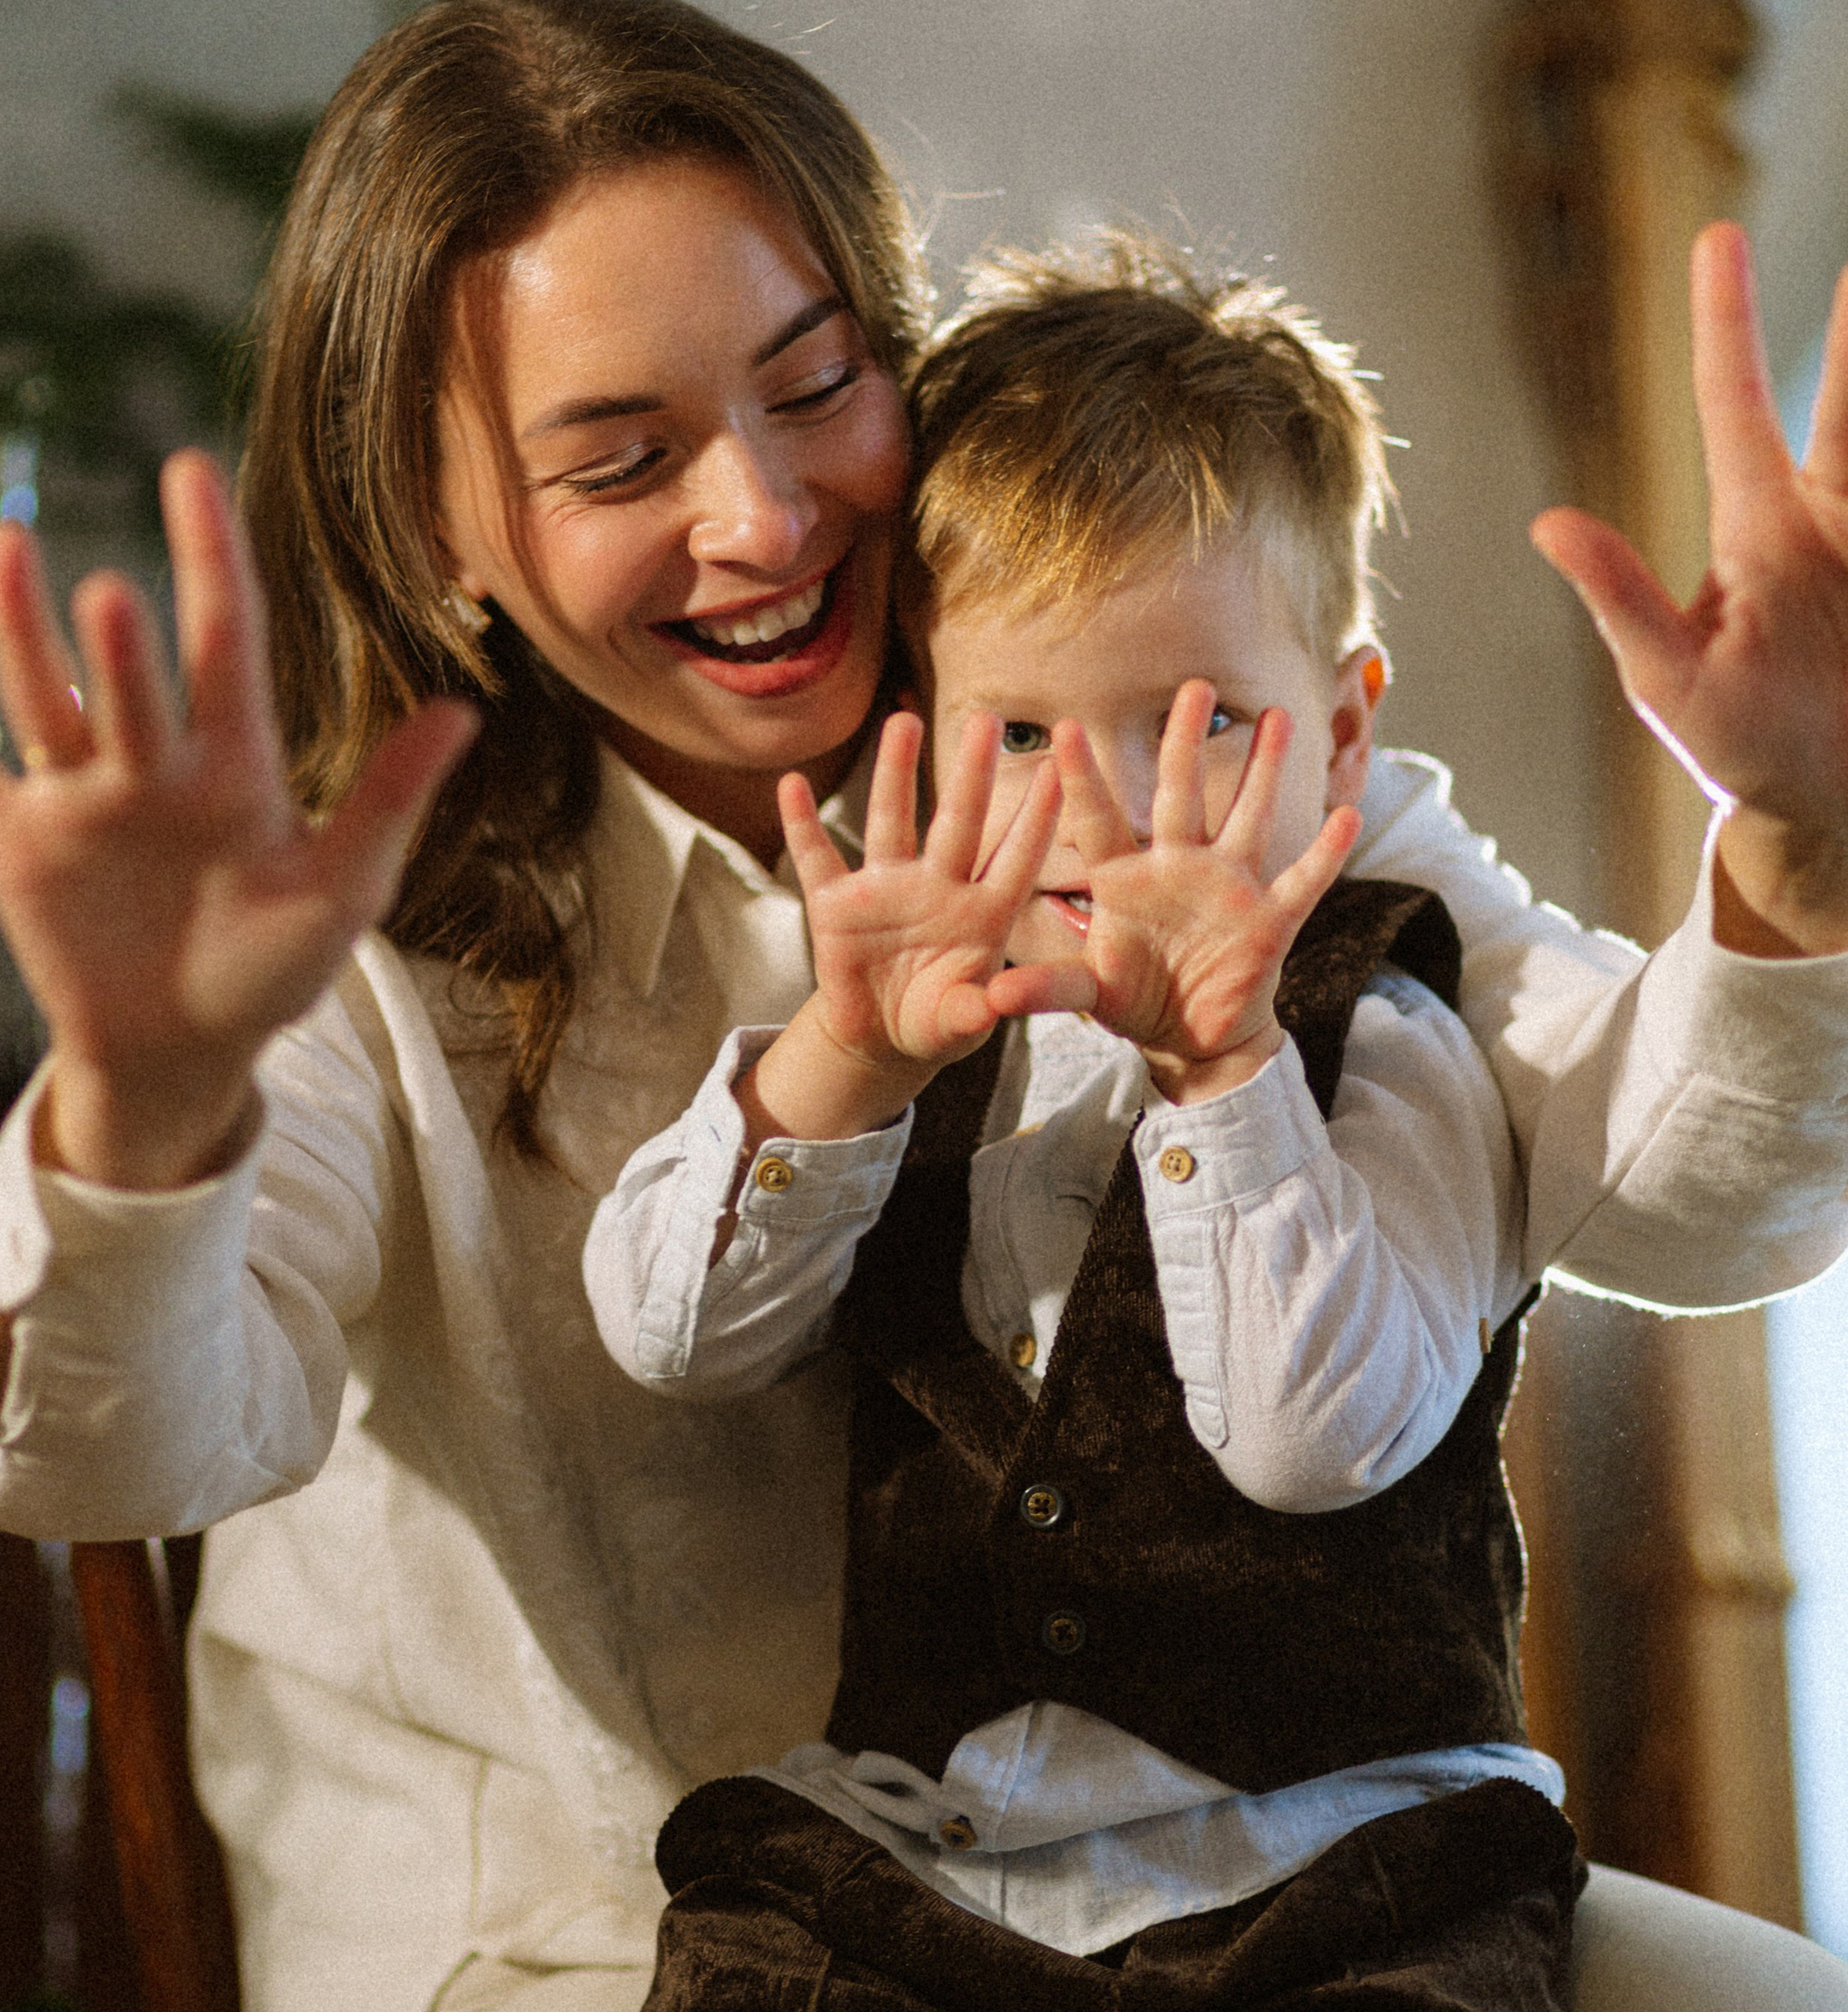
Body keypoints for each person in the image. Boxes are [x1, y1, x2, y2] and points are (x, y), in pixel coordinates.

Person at [0, 2, 1848, 2008]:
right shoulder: (358, 923)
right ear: (436, 523)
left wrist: (1796, 846)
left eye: (815, 386)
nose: (765, 517)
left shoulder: (1176, 753)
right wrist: (143, 1105)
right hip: (577, 1924)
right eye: (621, 457)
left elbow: (1674, 1197)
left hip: (1226, 1866)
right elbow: (107, 1444)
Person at [582, 237, 1574, 2006]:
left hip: (1343, 1858)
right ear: (917, 726)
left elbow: (1308, 1439)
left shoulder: (1393, 1033)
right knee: (738, 1929)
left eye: (1194, 724)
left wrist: (1225, 1076)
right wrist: (837, 1060)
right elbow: (669, 1331)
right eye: (1021, 728)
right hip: (938, 1847)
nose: (1101, 810)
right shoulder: (906, 1024)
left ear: (1338, 742)